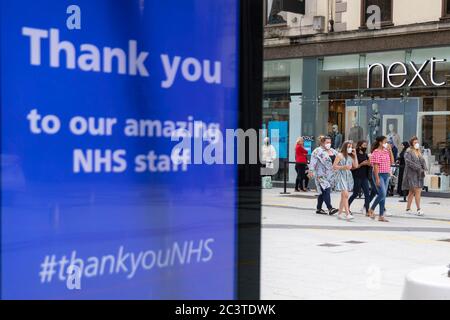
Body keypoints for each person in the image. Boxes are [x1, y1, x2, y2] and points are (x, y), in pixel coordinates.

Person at [309, 136, 339, 215]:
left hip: (331, 175)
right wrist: (311, 171)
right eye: (327, 142)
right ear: (322, 142)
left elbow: (339, 158)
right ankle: (330, 208)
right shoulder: (317, 151)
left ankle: (319, 208)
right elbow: (313, 162)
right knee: (327, 189)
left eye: (330, 142)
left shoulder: (333, 151)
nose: (329, 144)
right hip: (320, 174)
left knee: (323, 192)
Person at [368, 136, 394, 222]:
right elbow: (375, 166)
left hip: (386, 174)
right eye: (385, 142)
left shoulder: (386, 151)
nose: (387, 143)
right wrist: (377, 178)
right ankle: (371, 209)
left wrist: (390, 150)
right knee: (382, 193)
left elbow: (392, 161)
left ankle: (381, 215)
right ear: (380, 142)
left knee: (384, 196)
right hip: (379, 174)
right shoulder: (376, 152)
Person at [333, 141, 359, 221]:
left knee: (343, 196)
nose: (350, 148)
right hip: (340, 175)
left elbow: (356, 166)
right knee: (346, 195)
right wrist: (343, 167)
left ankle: (340, 213)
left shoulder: (351, 156)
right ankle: (347, 213)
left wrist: (355, 156)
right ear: (345, 147)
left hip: (348, 176)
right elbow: (334, 166)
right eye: (348, 146)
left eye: (351, 147)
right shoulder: (340, 155)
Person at [402, 137, 427, 216]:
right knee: (417, 191)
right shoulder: (408, 151)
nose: (417, 143)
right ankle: (418, 209)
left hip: (419, 174)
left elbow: (423, 161)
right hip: (411, 174)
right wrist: (418, 167)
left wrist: (424, 168)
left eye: (417, 142)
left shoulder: (418, 151)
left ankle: (408, 208)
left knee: (412, 192)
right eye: (415, 142)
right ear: (411, 143)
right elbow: (408, 162)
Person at [348, 141, 372, 215]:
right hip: (357, 176)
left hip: (364, 177)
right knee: (355, 193)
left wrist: (369, 163)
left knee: (367, 194)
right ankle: (347, 206)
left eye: (366, 145)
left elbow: (369, 164)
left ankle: (367, 210)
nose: (365, 147)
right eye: (364, 145)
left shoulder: (365, 155)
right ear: (359, 146)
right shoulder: (355, 155)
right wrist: (362, 164)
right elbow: (353, 167)